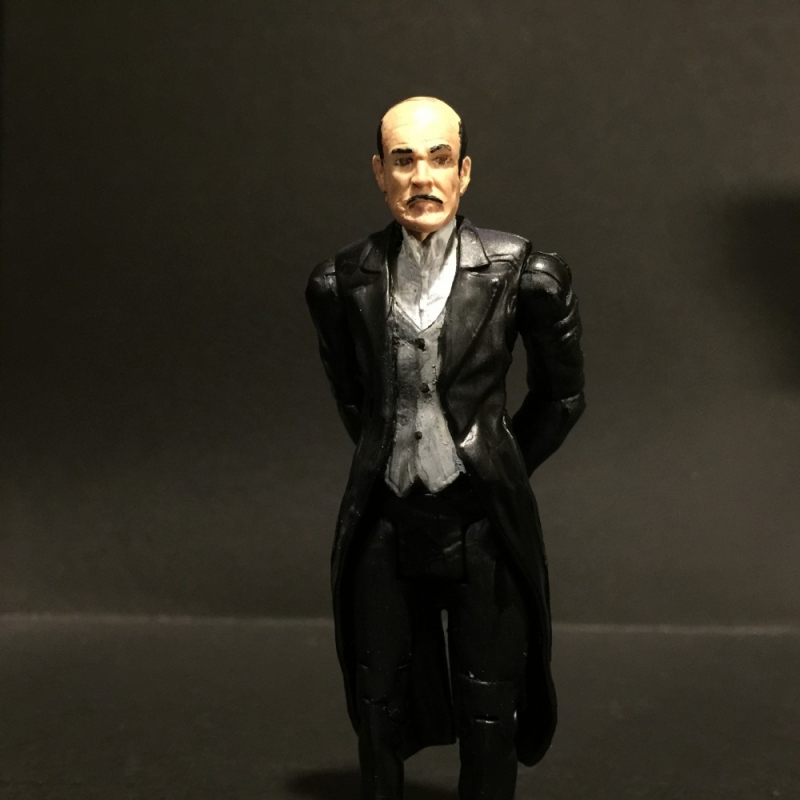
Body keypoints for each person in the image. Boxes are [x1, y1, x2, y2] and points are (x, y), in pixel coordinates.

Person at [306, 96, 585, 800]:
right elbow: (353, 397)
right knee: (376, 693)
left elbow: (562, 396)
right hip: (386, 516)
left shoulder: (523, 272)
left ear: (464, 173)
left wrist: (497, 464)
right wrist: (391, 454)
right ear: (379, 172)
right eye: (404, 161)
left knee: (490, 698)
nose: (422, 178)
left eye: (439, 159)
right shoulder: (341, 282)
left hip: (480, 522)